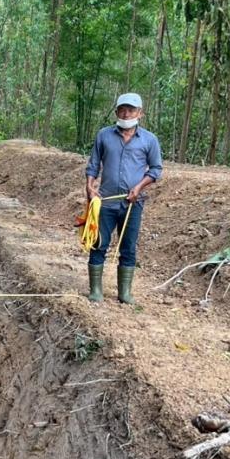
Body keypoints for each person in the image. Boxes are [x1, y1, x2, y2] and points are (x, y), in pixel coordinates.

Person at [84, 92, 163, 304]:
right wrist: (90, 187)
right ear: (116, 111)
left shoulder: (149, 140)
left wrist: (138, 187)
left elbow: (156, 170)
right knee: (98, 243)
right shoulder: (104, 135)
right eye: (122, 109)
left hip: (132, 204)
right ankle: (96, 290)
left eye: (131, 109)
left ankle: (125, 293)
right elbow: (93, 165)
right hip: (105, 201)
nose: (126, 113)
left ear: (140, 113)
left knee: (128, 247)